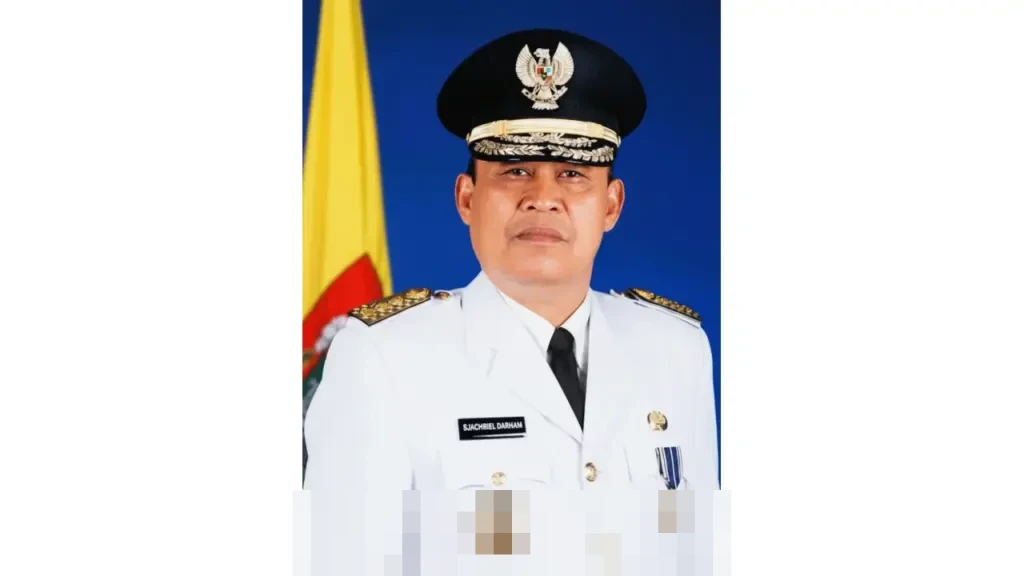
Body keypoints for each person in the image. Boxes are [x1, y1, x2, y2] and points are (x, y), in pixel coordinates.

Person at [303, 28, 718, 574]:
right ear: (466, 198)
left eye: (573, 174)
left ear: (611, 205)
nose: (543, 198)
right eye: (515, 171)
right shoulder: (383, 358)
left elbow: (697, 554)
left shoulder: (676, 349)